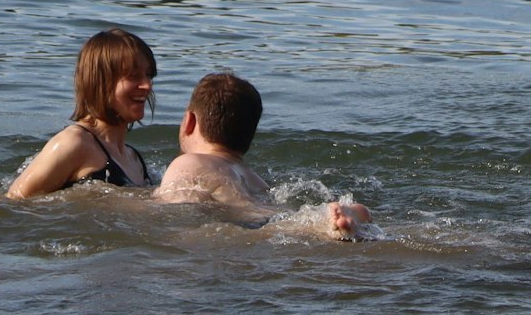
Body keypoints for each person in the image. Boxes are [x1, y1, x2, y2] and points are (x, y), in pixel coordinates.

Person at [156, 72, 372, 240]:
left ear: (189, 121)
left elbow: (175, 215)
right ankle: (348, 215)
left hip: (254, 226)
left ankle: (325, 222)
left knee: (283, 224)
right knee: (287, 218)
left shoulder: (188, 163)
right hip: (271, 217)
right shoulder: (254, 178)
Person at [6, 28, 158, 198]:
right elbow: (13, 201)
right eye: (133, 76)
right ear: (100, 81)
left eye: (148, 75)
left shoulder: (134, 158)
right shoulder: (73, 143)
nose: (147, 86)